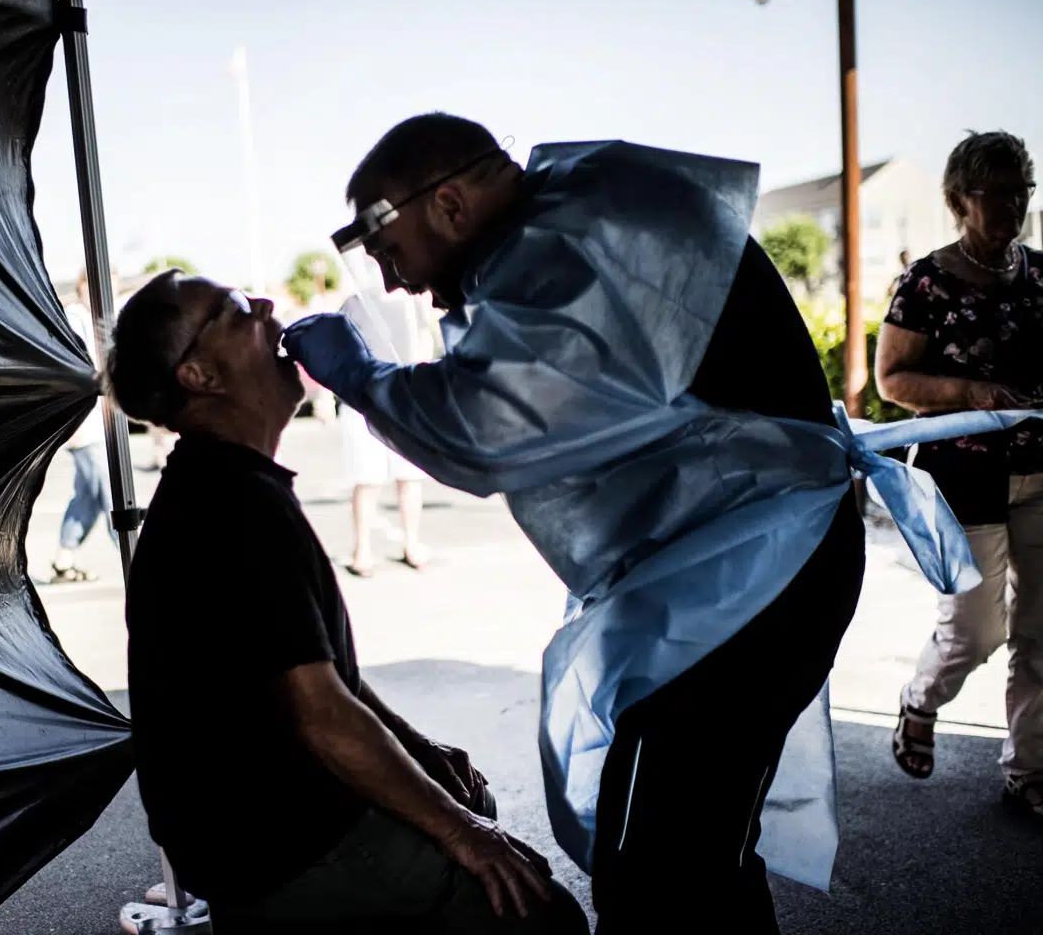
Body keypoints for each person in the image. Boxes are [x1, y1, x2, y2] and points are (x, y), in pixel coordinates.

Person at [281, 114, 1022, 932]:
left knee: (662, 866)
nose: (391, 284)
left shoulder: (568, 246)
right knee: (690, 852)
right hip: (759, 561)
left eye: (388, 251)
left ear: (450, 205)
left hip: (759, 573)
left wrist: (351, 367)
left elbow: (484, 429)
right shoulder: (578, 208)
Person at [107, 270, 587, 934]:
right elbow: (323, 717)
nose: (269, 305)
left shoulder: (223, 484)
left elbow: (319, 675)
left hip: (252, 838)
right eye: (238, 307)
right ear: (199, 375)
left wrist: (421, 750)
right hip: (282, 846)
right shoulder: (235, 504)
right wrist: (466, 836)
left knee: (466, 806)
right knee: (541, 912)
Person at [875, 130, 1042, 818]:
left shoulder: (1040, 275)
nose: (1012, 207)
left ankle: (1028, 769)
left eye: (1022, 192)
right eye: (996, 194)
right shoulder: (925, 283)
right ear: (958, 200)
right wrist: (971, 394)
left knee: (1040, 630)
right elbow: (891, 379)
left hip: (1041, 470)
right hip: (963, 478)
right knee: (977, 630)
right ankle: (921, 701)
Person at [338, 288, 434, 577]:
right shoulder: (353, 303)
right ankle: (363, 549)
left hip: (403, 398)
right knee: (367, 479)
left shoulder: (413, 302)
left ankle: (412, 543)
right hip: (362, 402)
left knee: (409, 477)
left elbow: (424, 343)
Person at [51, 280, 116, 582]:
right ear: (83, 288)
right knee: (113, 494)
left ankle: (64, 560)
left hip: (94, 426)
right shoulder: (75, 321)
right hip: (85, 427)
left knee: (87, 497)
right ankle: (139, 559)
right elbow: (70, 372)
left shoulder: (94, 322)